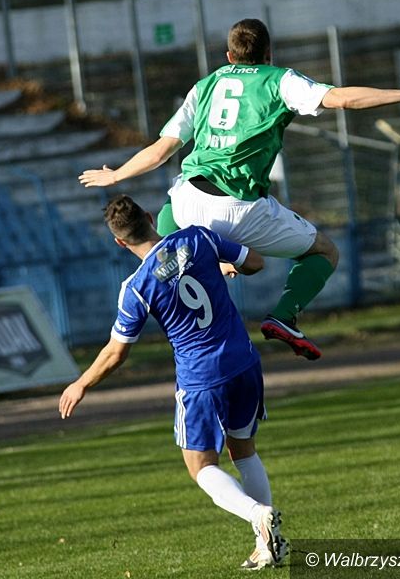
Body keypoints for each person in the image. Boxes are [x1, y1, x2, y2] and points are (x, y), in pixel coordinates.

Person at [79, 18, 400, 360]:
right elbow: (341, 98)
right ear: (269, 53)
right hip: (237, 208)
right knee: (324, 251)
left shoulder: (205, 86)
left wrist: (117, 175)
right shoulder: (279, 80)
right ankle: (284, 316)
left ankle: (179, 272)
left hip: (189, 199)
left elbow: (162, 151)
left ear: (229, 56)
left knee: (172, 206)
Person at [59, 194, 288, 571]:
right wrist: (223, 266)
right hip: (243, 360)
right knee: (244, 450)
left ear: (119, 242)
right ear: (150, 218)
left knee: (201, 467)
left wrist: (80, 383)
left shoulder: (136, 288)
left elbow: (116, 353)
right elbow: (256, 262)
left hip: (201, 379)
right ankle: (265, 545)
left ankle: (257, 515)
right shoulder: (199, 237)